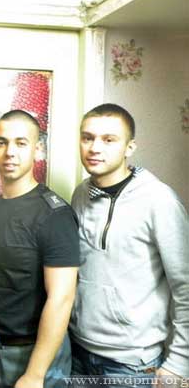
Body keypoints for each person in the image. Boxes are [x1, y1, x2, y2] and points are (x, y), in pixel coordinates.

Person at [70, 103, 189, 385]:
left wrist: (179, 363)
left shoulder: (159, 201)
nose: (95, 148)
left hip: (131, 365)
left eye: (108, 140)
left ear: (129, 147)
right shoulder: (80, 194)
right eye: (88, 138)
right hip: (78, 352)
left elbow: (185, 286)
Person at [0, 110, 80, 388]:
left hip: (34, 357)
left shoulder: (54, 215)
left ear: (37, 150)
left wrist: (35, 374)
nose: (10, 152)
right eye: (2, 143)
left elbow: (62, 298)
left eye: (21, 143)